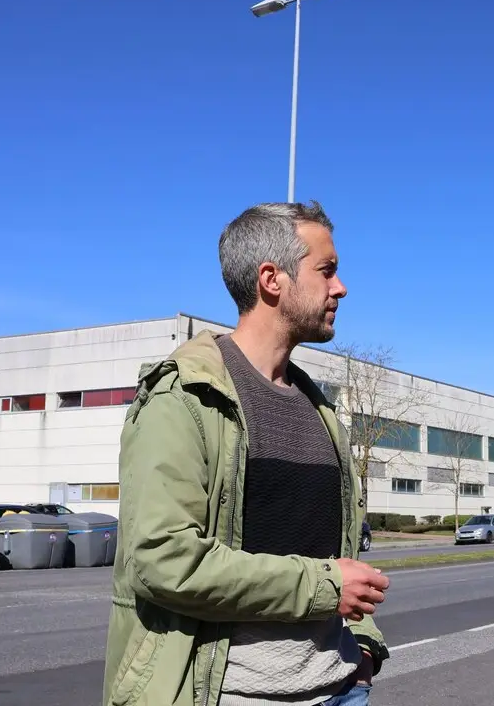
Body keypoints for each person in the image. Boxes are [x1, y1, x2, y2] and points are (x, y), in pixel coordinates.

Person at [102, 201, 390, 706]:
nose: (340, 287)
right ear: (271, 280)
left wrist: (363, 647)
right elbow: (163, 559)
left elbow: (339, 557)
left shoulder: (319, 409)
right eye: (326, 270)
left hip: (341, 689)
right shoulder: (185, 398)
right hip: (234, 694)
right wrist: (325, 587)